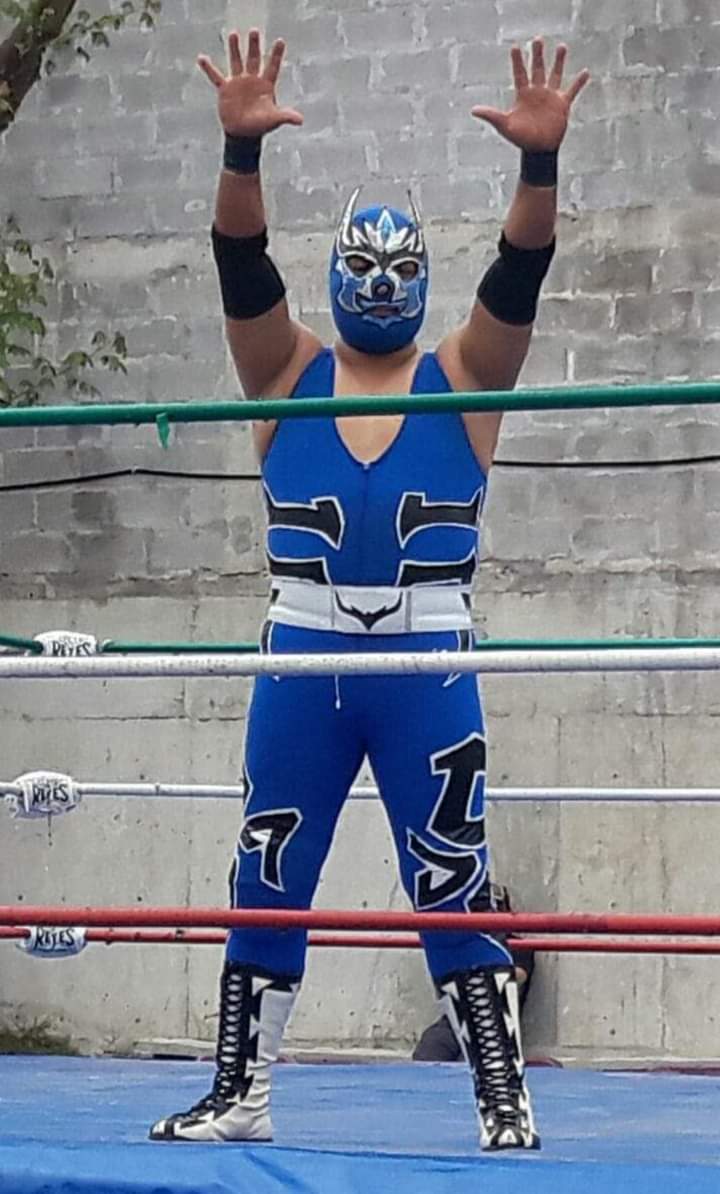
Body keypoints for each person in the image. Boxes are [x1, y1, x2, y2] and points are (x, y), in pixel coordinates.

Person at [149, 28, 588, 1151]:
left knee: (452, 873)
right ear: (336, 269)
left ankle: (502, 1098)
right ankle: (242, 1088)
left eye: (400, 269)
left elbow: (519, 276)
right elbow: (239, 263)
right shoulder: (282, 371)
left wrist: (539, 164)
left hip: (426, 660)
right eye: (363, 265)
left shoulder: (466, 377)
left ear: (422, 278)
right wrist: (240, 151)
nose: (380, 285)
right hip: (301, 652)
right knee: (268, 862)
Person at [413, 883, 536, 1061]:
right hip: (455, 1018)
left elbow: (517, 975)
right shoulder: (466, 944)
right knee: (431, 1047)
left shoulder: (517, 944)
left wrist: (475, 971)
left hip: (492, 1021)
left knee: (474, 1063)